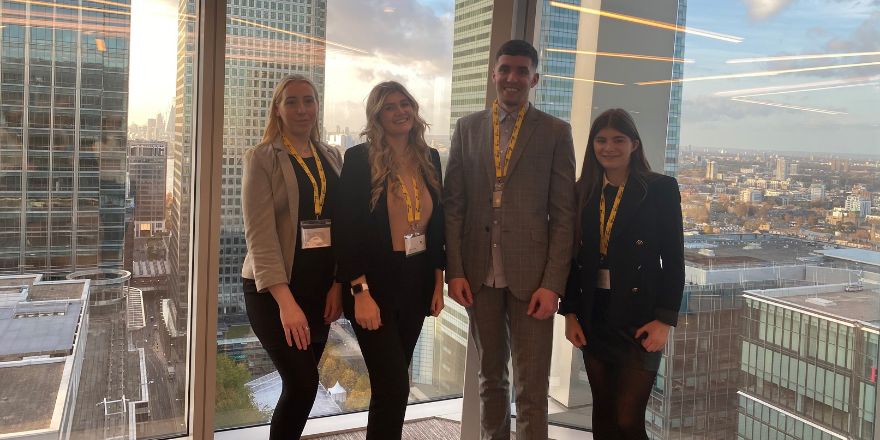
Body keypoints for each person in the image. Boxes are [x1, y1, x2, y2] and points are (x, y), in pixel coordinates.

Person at [444, 39, 576, 440]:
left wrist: (553, 284)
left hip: (533, 278)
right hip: (479, 275)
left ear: (534, 78)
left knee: (532, 388)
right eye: (505, 69)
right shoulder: (467, 128)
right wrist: (456, 271)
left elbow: (565, 216)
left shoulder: (555, 131)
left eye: (522, 71)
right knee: (490, 380)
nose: (512, 78)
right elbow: (454, 206)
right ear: (494, 74)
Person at [558, 109, 685, 440]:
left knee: (628, 421)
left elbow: (673, 260)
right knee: (602, 411)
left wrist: (665, 320)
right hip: (593, 312)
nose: (608, 147)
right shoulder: (581, 190)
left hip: (639, 318)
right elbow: (570, 258)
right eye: (601, 140)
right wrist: (570, 312)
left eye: (618, 140)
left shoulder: (659, 189)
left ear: (634, 145)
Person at [334, 81, 446, 440]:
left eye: (405, 104)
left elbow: (440, 224)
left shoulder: (431, 159)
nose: (400, 112)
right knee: (395, 385)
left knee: (392, 385)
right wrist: (359, 291)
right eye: (389, 107)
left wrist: (438, 281)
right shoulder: (358, 159)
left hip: (416, 282)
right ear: (377, 117)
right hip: (374, 287)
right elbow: (346, 230)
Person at [241, 74, 343, 439]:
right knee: (302, 384)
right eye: (292, 101)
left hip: (320, 290)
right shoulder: (262, 157)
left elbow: (343, 225)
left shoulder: (332, 156)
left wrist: (337, 285)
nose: (302, 109)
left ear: (317, 106)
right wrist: (286, 302)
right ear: (278, 109)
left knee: (302, 390)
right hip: (273, 293)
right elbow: (260, 235)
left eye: (309, 100)